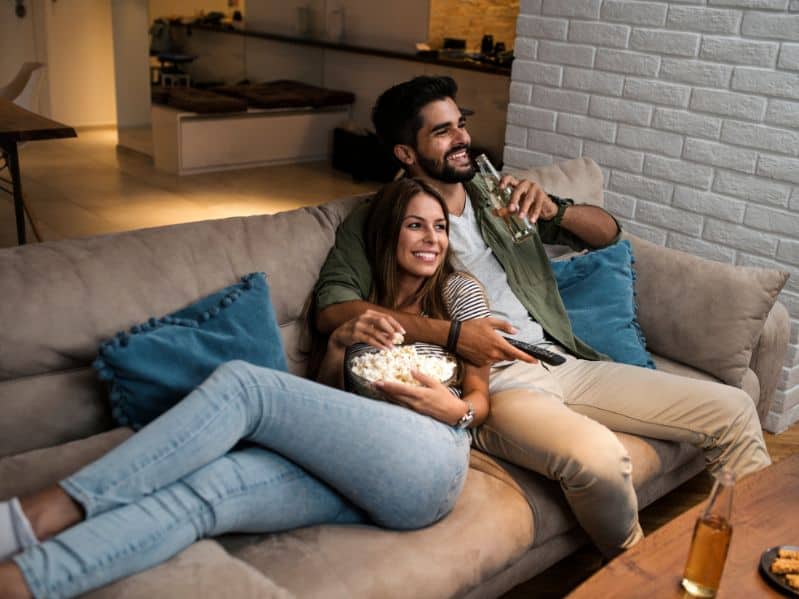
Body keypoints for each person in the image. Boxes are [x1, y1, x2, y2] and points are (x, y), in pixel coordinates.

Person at [313, 75, 771, 558]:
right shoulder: (380, 217)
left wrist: (556, 210)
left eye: (461, 124)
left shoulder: (496, 193)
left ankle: (755, 559)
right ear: (406, 153)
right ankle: (637, 577)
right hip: (497, 382)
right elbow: (333, 309)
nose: (462, 138)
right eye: (442, 132)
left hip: (560, 358)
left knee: (733, 409)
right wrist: (455, 334)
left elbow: (610, 236)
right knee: (601, 460)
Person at [0, 178, 490, 599]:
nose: (432, 239)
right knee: (210, 490)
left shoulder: (458, 293)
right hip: (362, 474)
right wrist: (339, 348)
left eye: (440, 227)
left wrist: (454, 411)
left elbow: (480, 402)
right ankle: (27, 579)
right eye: (416, 225)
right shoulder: (362, 306)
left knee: (246, 386)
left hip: (432, 457)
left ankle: (38, 514)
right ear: (388, 234)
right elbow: (332, 409)